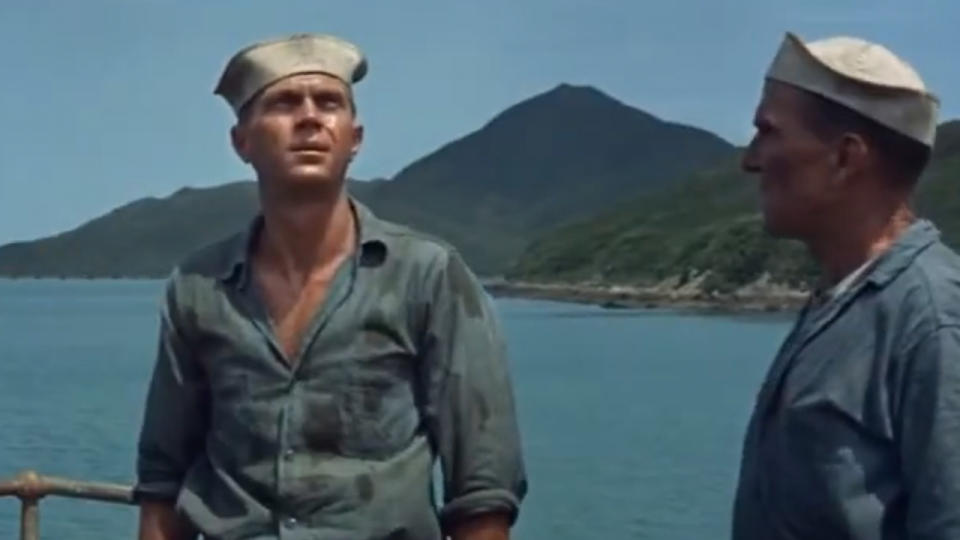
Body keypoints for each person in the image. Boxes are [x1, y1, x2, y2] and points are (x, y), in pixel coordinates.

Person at [134, 33, 527, 540]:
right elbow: (163, 479)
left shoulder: (427, 276)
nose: (309, 118)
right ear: (242, 142)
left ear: (354, 138)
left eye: (329, 103)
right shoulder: (197, 288)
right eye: (282, 103)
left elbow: (483, 489)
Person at [732, 32, 960, 539]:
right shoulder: (841, 302)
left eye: (767, 132)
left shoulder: (932, 320)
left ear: (845, 158)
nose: (750, 160)